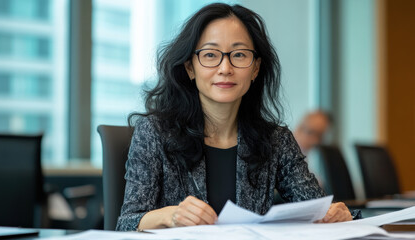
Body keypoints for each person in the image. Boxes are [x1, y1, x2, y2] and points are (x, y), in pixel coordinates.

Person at [115, 3, 352, 232]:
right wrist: (170, 215)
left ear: (255, 68)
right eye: (210, 55)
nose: (225, 68)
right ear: (190, 68)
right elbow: (125, 225)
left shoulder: (276, 141)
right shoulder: (154, 132)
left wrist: (338, 215)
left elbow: (318, 210)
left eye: (239, 55)